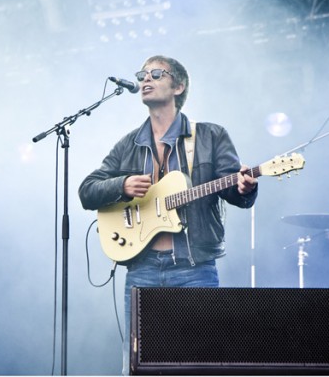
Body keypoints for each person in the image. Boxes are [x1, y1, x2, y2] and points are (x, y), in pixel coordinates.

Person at [78, 55, 258, 374]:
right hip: (142, 270)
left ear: (178, 86)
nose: (146, 79)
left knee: (200, 365)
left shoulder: (210, 136)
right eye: (143, 74)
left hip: (194, 269)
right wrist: (122, 184)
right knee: (139, 367)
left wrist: (245, 188)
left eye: (156, 74)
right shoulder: (129, 145)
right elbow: (87, 190)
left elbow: (235, 191)